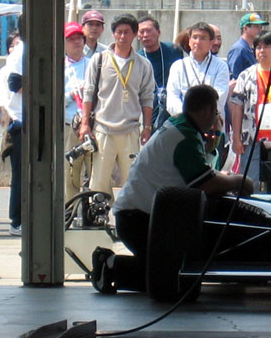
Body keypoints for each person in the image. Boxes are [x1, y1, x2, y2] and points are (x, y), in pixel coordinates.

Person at [96, 85, 254, 295]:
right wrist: (239, 181)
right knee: (173, 277)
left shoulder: (177, 125)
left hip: (136, 215)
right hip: (139, 220)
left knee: (170, 274)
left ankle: (112, 267)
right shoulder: (185, 137)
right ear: (207, 110)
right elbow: (206, 184)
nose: (216, 117)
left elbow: (201, 171)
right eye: (216, 112)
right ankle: (111, 266)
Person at [78, 14, 156, 197]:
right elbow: (88, 93)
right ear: (113, 34)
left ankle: (127, 217)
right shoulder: (99, 60)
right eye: (119, 32)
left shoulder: (143, 64)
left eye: (127, 32)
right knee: (99, 182)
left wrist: (147, 126)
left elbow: (147, 97)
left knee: (132, 180)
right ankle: (100, 217)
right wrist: (84, 124)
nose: (122, 36)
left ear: (135, 34)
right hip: (102, 129)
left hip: (130, 130)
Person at [229, 31, 271, 184]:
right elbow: (237, 108)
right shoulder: (246, 76)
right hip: (253, 140)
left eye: (267, 46)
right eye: (258, 47)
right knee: (251, 184)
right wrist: (236, 138)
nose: (262, 51)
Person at [165, 21, 230, 123]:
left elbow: (219, 97)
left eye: (203, 38)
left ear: (211, 42)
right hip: (183, 125)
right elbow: (172, 98)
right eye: (194, 37)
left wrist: (201, 116)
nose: (198, 41)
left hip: (210, 125)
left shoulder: (221, 66)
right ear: (189, 40)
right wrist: (187, 116)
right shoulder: (178, 66)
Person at [137, 15, 184, 130]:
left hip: (174, 106)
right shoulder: (138, 58)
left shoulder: (174, 50)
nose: (145, 35)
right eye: (141, 32)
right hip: (151, 109)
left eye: (149, 31)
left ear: (158, 32)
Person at [63, 21, 92, 198]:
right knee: (71, 171)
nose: (76, 42)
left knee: (94, 170)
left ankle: (93, 212)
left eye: (79, 38)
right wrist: (70, 95)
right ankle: (70, 209)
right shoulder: (59, 66)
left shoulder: (93, 63)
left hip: (92, 124)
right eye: (71, 39)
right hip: (69, 124)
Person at [3, 18, 25, 235]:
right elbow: (14, 83)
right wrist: (42, 85)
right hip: (22, 123)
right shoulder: (21, 50)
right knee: (21, 175)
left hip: (38, 122)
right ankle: (16, 221)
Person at [227, 12, 269, 80]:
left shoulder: (251, 49)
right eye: (256, 26)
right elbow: (235, 77)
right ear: (245, 28)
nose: (260, 29)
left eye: (260, 27)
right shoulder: (239, 49)